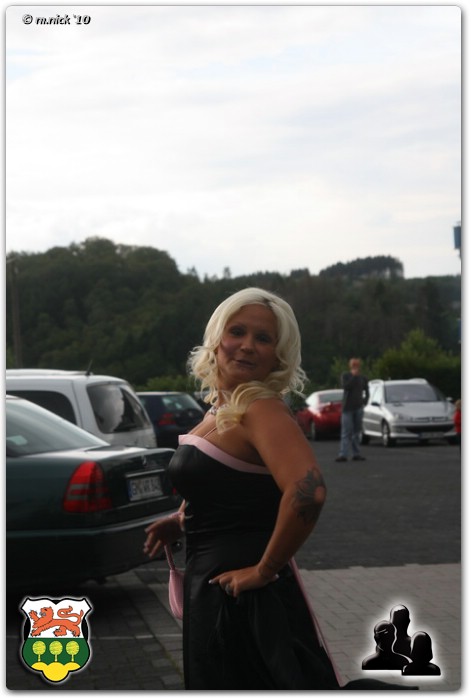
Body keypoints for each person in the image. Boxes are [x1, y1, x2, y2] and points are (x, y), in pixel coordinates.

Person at [144, 288, 417, 691]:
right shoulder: (221, 408)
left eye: (263, 338)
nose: (247, 345)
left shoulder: (261, 409)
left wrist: (264, 569)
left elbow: (309, 491)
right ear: (216, 338)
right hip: (216, 587)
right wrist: (183, 520)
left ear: (278, 355)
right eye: (237, 331)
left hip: (246, 597)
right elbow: (233, 486)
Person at [336, 358, 369, 462]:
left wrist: (365, 401)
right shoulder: (345, 376)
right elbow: (346, 387)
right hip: (347, 408)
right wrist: (354, 377)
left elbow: (367, 390)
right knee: (346, 432)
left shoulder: (363, 378)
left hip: (358, 408)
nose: (355, 367)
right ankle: (343, 454)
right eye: (353, 365)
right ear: (350, 366)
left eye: (357, 365)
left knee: (356, 432)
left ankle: (356, 453)